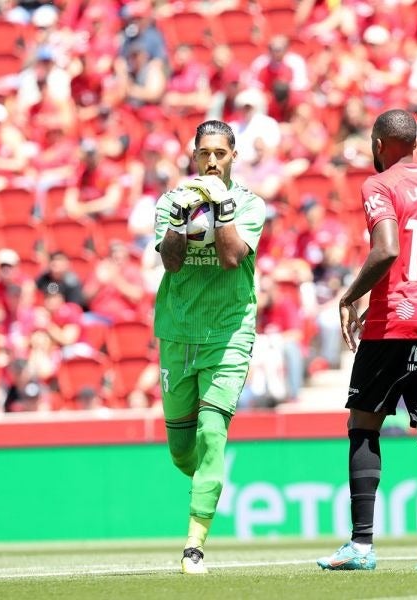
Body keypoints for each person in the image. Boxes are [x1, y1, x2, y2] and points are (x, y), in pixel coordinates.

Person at [318, 109, 417, 571]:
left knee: (364, 423)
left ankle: (361, 546)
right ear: (416, 144)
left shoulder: (379, 185)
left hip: (394, 322)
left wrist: (350, 297)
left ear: (379, 144)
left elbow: (388, 249)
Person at [153, 120, 265, 574]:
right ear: (193, 156)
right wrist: (179, 222)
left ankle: (194, 546)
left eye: (220, 153)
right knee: (184, 453)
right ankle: (208, 480)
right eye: (205, 153)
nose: (212, 161)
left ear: (234, 155)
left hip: (228, 332)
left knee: (212, 433)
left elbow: (233, 256)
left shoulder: (251, 204)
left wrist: (223, 209)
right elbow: (172, 263)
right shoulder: (169, 201)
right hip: (178, 332)